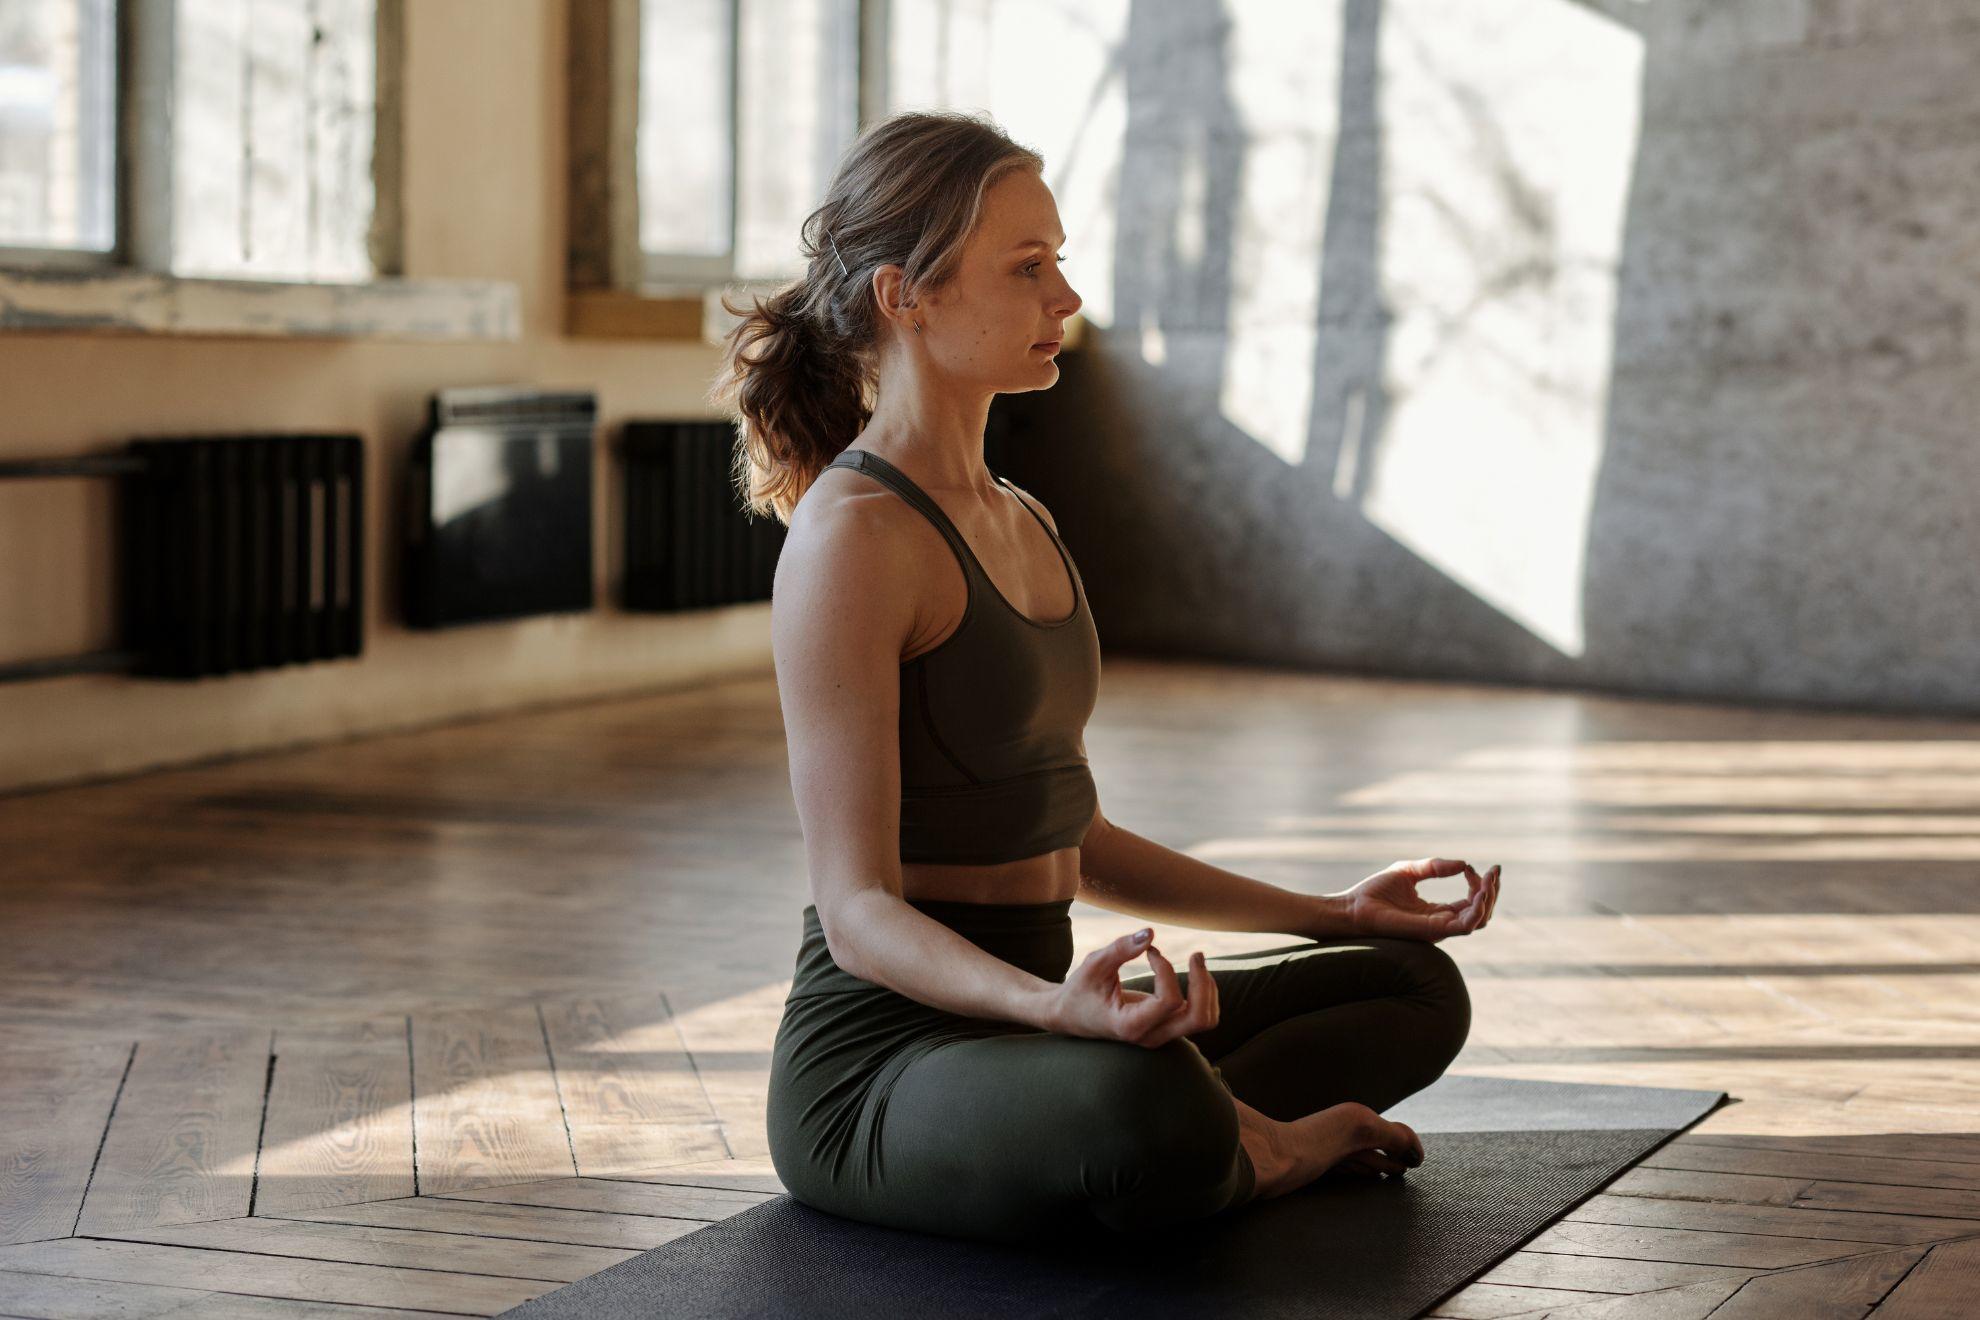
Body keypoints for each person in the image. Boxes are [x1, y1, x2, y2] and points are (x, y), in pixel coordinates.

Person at [709, 109, 1499, 1246]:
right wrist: (1054, 1010)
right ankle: (1260, 1145)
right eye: (1027, 268)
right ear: (905, 296)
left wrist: (1334, 910)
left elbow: (1071, 838)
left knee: (1409, 985)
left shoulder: (1021, 517)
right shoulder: (854, 540)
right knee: (1148, 1102)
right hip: (887, 1065)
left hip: (1046, 1028)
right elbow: (858, 914)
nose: (1064, 300)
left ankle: (1206, 1130)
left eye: (1060, 263)